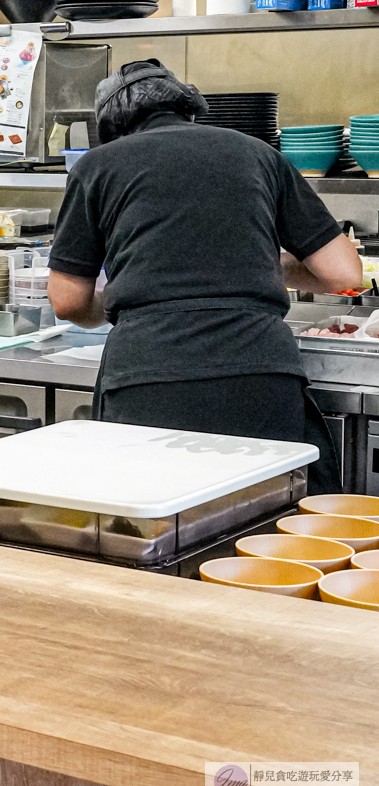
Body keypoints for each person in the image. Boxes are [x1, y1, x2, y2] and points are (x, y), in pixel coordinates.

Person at [47, 60, 361, 493]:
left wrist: (124, 290)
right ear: (190, 110)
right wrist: (261, 264)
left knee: (158, 519)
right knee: (265, 512)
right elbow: (343, 273)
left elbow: (67, 301)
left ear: (113, 126)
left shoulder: (96, 166)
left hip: (148, 370)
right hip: (258, 367)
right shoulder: (258, 153)